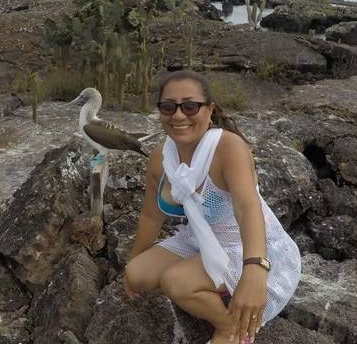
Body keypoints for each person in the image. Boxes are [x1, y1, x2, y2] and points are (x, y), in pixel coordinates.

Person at [124, 70, 301, 344]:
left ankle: (231, 328)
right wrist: (131, 263)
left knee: (176, 282)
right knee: (137, 275)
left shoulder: (227, 148)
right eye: (168, 107)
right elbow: (150, 216)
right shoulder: (162, 158)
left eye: (190, 106)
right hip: (199, 240)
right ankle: (215, 289)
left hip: (248, 244)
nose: (179, 115)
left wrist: (255, 270)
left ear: (209, 111)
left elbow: (247, 208)